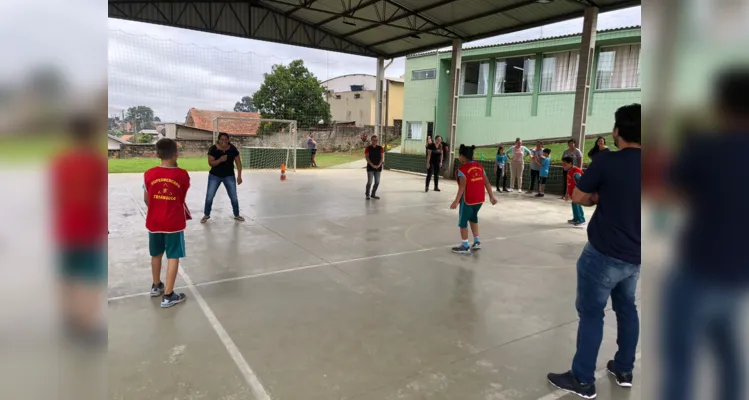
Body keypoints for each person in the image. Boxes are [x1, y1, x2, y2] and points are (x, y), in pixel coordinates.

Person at [659, 69, 748, 400]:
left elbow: (672, 192)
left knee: (681, 362)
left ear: (721, 105)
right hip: (738, 274)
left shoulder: (706, 146)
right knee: (728, 354)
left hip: (698, 271)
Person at [547, 104, 641, 399]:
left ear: (617, 131)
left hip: (603, 254)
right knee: (627, 309)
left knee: (591, 313)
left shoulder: (607, 162)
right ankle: (624, 369)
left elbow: (578, 196)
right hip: (636, 255)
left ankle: (583, 379)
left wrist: (599, 196)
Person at [51, 113, 107, 344]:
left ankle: (68, 319)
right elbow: (97, 196)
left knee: (68, 276)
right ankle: (86, 326)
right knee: (90, 280)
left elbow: (57, 195)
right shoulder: (96, 163)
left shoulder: (60, 162)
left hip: (65, 228)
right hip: (89, 229)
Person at [143, 138, 191, 308]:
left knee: (156, 254)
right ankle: (169, 295)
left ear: (157, 154)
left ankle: (156, 286)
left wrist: (157, 206)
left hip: (154, 221)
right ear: (176, 153)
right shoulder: (182, 175)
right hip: (173, 223)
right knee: (173, 256)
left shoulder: (148, 174)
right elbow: (181, 198)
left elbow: (146, 199)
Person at [449, 145, 498, 255]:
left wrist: (456, 201)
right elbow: (487, 183)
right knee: (473, 218)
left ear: (463, 156)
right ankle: (476, 241)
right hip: (479, 200)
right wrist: (492, 197)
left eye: (459, 155)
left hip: (468, 200)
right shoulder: (480, 167)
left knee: (462, 222)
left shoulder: (462, 170)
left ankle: (465, 246)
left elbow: (462, 187)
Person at [201, 133, 244, 223]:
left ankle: (237, 214)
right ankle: (206, 214)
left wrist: (239, 176)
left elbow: (238, 163)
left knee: (233, 196)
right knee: (210, 196)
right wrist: (220, 160)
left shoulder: (232, 149)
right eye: (222, 139)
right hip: (214, 176)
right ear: (218, 140)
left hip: (229, 176)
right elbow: (211, 163)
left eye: (226, 139)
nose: (224, 141)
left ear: (228, 140)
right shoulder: (213, 149)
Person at [561, 156, 585, 226]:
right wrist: (567, 193)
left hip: (578, 192)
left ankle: (581, 220)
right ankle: (576, 218)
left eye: (564, 164)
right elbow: (569, 183)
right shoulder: (569, 171)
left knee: (577, 204)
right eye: (562, 164)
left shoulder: (576, 171)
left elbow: (580, 182)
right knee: (574, 204)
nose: (563, 166)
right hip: (573, 193)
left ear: (570, 163)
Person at [365, 135, 385, 200]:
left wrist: (379, 165)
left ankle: (373, 194)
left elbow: (382, 157)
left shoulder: (380, 148)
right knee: (370, 182)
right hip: (370, 168)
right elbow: (367, 157)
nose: (375, 141)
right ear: (371, 140)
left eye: (376, 140)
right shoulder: (368, 148)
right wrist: (372, 164)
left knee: (377, 182)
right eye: (374, 140)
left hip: (378, 168)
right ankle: (367, 194)